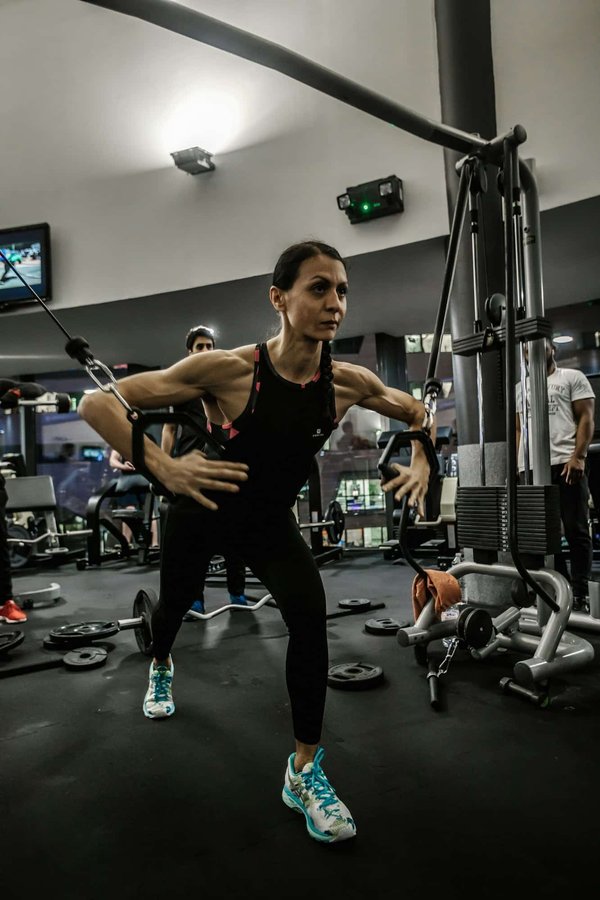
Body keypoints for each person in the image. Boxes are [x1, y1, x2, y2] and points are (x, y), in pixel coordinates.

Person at [79, 240, 432, 844]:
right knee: (173, 610)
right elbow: (98, 402)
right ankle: (160, 663)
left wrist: (423, 454)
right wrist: (164, 469)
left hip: (269, 522)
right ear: (280, 298)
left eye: (342, 290)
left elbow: (415, 409)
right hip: (203, 508)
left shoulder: (346, 382)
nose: (335, 303)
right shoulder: (228, 370)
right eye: (319, 288)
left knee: (310, 620)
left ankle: (303, 772)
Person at [161, 324, 251, 615]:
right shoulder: (182, 385)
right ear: (190, 352)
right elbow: (169, 428)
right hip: (190, 470)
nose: (205, 351)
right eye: (199, 347)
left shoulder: (224, 383)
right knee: (194, 539)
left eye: (209, 346)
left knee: (234, 532)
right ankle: (194, 598)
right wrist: (163, 469)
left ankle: (237, 593)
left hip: (223, 463)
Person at [516, 338, 596, 609]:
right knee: (544, 534)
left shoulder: (572, 377)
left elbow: (586, 417)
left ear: (552, 349)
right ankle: (559, 591)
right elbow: (518, 430)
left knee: (575, 529)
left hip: (564, 462)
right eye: (527, 350)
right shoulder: (521, 388)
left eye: (540, 347)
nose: (533, 353)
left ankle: (580, 591)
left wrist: (579, 456)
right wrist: (517, 466)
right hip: (529, 468)